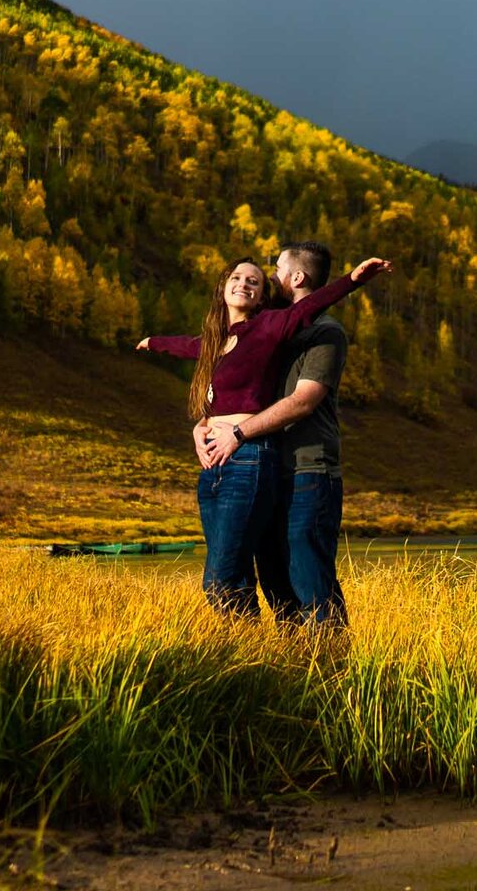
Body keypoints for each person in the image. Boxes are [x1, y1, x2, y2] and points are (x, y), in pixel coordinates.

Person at [138, 253, 391, 613]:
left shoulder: (269, 326)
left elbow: (312, 306)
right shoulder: (215, 341)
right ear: (223, 288)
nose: (246, 283)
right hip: (213, 463)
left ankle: (270, 651)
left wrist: (354, 279)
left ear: (261, 297)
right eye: (237, 278)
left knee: (221, 577)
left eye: (256, 280)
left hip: (249, 457)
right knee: (241, 572)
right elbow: (186, 345)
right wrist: (153, 342)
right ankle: (256, 657)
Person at [196, 242, 350, 627]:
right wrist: (203, 426)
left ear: (296, 278)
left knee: (309, 579)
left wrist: (237, 433)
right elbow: (233, 387)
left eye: (276, 269)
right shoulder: (266, 330)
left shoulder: (325, 332)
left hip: (307, 470)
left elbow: (303, 401)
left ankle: (332, 669)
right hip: (266, 469)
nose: (269, 277)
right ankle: (287, 669)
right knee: (275, 583)